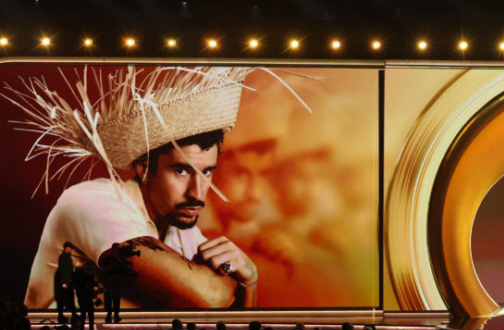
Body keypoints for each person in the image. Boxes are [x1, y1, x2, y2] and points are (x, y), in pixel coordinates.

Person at [12, 67, 299, 309]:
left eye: (207, 171)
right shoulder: (91, 202)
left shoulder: (181, 229)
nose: (197, 193)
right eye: (182, 170)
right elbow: (210, 296)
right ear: (144, 168)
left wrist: (249, 278)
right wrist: (235, 278)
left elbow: (228, 329)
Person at [54, 242, 78, 324]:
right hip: (65, 282)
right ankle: (61, 316)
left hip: (69, 281)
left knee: (70, 298)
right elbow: (62, 270)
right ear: (66, 248)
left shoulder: (67, 256)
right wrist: (64, 282)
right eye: (70, 248)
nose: (71, 249)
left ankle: (74, 314)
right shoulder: (63, 257)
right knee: (62, 299)